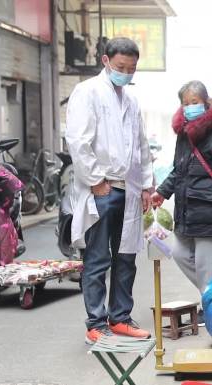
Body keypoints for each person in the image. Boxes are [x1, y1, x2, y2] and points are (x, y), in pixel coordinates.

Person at [65, 37, 155, 344]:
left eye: (131, 69)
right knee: (98, 258)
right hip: (101, 189)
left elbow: (141, 146)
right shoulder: (87, 91)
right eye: (121, 67)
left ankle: (120, 317)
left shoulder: (131, 101)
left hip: (128, 190)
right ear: (106, 61)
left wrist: (144, 185)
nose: (126, 73)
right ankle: (96, 322)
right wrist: (96, 182)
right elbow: (78, 140)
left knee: (126, 257)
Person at [151, 81, 212, 322]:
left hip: (208, 208)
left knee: (207, 270)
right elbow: (180, 170)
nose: (189, 107)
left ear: (205, 103)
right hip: (185, 210)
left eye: (194, 103)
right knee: (178, 252)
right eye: (185, 104)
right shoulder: (185, 134)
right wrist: (163, 191)